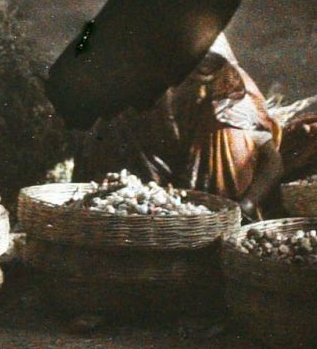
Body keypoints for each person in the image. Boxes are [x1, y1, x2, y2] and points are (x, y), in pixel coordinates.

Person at [73, 32, 283, 214]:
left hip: (222, 206)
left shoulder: (230, 98)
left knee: (225, 133)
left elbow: (272, 161)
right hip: (163, 207)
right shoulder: (151, 93)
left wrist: (245, 205)